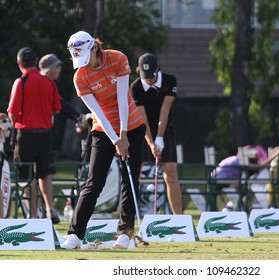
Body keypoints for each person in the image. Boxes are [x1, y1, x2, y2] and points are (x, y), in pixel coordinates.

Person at [61, 31, 145, 250]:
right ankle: (75, 235)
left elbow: (122, 99)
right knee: (94, 182)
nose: (83, 64)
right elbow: (98, 112)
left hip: (133, 127)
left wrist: (124, 134)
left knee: (129, 181)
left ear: (95, 48)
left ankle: (125, 234)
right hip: (103, 130)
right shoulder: (80, 77)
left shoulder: (118, 58)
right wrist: (116, 139)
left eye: (85, 57)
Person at [7, 47, 62, 220]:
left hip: (26, 134)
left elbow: (13, 112)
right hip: (45, 135)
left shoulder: (21, 82)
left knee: (27, 175)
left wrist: (15, 122)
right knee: (45, 173)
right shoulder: (49, 82)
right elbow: (56, 110)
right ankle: (49, 209)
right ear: (35, 60)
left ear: (19, 63)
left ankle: (33, 214)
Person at [37, 54, 89, 224]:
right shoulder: (45, 84)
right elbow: (59, 106)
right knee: (41, 174)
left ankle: (43, 210)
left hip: (37, 135)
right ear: (51, 69)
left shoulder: (42, 83)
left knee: (43, 173)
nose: (60, 70)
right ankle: (40, 210)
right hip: (39, 135)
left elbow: (59, 105)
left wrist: (78, 118)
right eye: (57, 67)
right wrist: (79, 118)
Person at [130, 53, 183, 214]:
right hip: (141, 130)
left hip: (165, 129)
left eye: (152, 76)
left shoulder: (169, 81)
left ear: (157, 69)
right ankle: (128, 218)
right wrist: (151, 143)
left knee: (171, 173)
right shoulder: (136, 87)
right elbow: (142, 119)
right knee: (133, 175)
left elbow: (164, 112)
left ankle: (179, 219)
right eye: (146, 76)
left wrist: (159, 138)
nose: (149, 80)